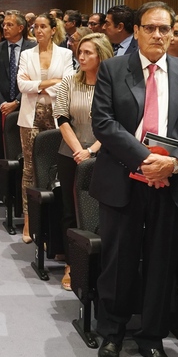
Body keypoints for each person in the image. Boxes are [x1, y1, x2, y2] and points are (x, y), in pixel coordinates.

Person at [90, 1, 178, 357]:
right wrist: (145, 160)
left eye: (166, 29)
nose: (159, 35)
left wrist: (172, 164)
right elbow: (103, 123)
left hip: (171, 183)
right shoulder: (113, 69)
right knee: (118, 261)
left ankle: (153, 338)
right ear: (137, 31)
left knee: (162, 264)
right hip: (126, 179)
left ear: (175, 33)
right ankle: (112, 332)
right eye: (151, 28)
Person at [51, 33, 112, 289]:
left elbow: (115, 122)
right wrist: (79, 151)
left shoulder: (111, 84)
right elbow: (62, 118)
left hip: (105, 154)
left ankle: (100, 264)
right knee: (70, 210)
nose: (82, 57)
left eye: (88, 53)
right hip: (71, 154)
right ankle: (72, 265)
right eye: (80, 52)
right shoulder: (69, 81)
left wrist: (93, 150)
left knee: (101, 211)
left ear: (102, 55)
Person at [15, 15, 74, 242]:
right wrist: (49, 83)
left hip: (57, 115)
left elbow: (67, 82)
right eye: (35, 27)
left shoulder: (65, 54)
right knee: (29, 169)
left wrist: (39, 87)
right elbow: (22, 85)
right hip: (30, 116)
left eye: (43, 27)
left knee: (55, 167)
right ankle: (29, 222)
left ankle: (52, 221)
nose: (38, 30)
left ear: (52, 29)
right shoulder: (26, 54)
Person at [0, 11, 34, 211]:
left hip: (25, 108)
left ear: (20, 28)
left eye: (9, 25)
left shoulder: (32, 48)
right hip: (0, 110)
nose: (4, 28)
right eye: (4, 25)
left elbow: (32, 80)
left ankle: (18, 198)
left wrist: (17, 102)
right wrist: (4, 103)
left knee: (22, 155)